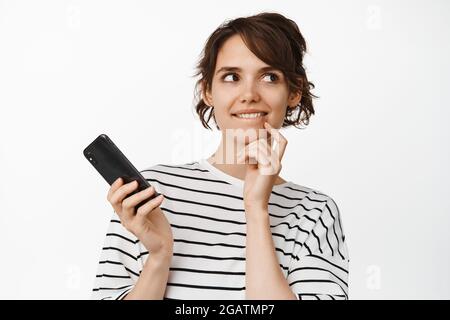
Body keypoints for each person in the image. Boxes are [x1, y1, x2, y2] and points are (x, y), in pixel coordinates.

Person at [91, 11, 349, 300]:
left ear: (294, 92)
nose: (249, 94)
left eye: (269, 76)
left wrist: (256, 208)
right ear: (208, 92)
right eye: (231, 77)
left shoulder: (314, 213)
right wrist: (159, 255)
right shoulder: (151, 195)